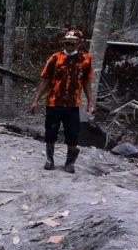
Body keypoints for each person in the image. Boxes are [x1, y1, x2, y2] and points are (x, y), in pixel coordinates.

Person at [30, 29, 96, 173]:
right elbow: (45, 81)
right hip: (54, 103)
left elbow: (86, 82)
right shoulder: (55, 58)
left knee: (73, 134)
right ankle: (50, 159)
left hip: (72, 105)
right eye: (67, 43)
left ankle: (69, 162)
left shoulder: (85, 60)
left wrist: (91, 102)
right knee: (51, 132)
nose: (69, 46)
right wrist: (36, 100)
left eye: (72, 43)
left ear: (79, 43)